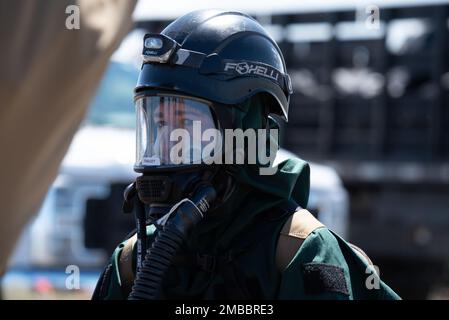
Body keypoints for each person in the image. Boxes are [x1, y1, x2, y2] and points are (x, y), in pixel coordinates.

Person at [92, 9, 400, 300]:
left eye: (186, 123)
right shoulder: (135, 257)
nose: (169, 143)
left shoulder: (301, 251)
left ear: (243, 129)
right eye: (160, 123)